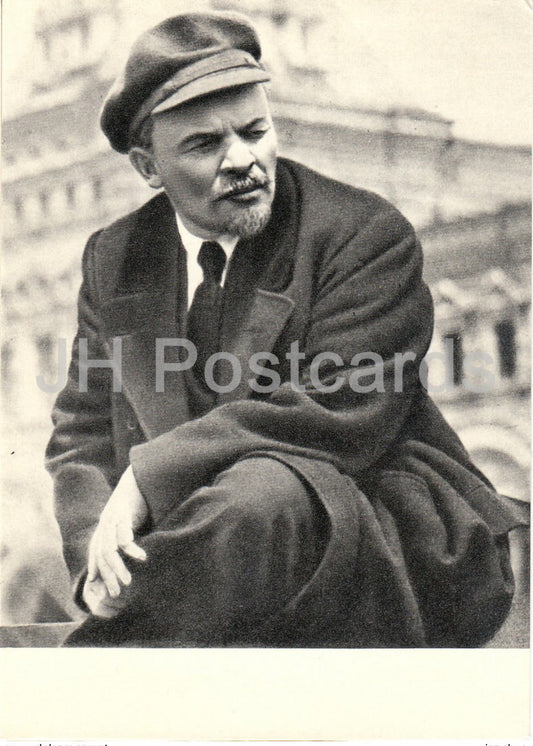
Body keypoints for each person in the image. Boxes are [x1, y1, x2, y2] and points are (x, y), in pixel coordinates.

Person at [46, 11, 519, 647]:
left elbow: (334, 407)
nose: (243, 160)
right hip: (207, 548)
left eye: (255, 131)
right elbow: (82, 432)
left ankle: (90, 673)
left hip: (379, 536)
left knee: (258, 491)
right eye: (205, 145)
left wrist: (145, 477)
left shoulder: (364, 234)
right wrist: (93, 562)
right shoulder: (115, 256)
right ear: (148, 166)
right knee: (239, 505)